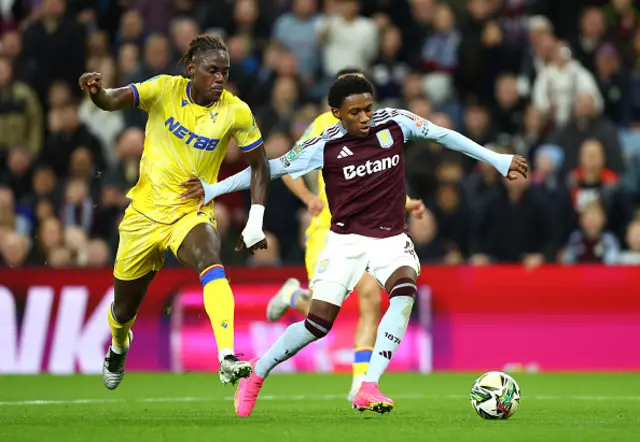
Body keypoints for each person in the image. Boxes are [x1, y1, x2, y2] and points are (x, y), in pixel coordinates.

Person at [181, 75, 528, 417]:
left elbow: (443, 135)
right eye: (354, 113)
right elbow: (270, 169)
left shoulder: (395, 122)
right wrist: (212, 190)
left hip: (391, 238)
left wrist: (497, 160)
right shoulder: (323, 144)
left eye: (368, 109)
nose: (364, 118)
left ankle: (368, 385)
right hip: (345, 242)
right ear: (336, 113)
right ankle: (258, 372)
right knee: (317, 325)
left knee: (404, 292)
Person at [78, 35, 270, 391]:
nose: (219, 79)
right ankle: (120, 344)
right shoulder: (163, 90)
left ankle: (227, 355)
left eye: (225, 72)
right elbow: (114, 99)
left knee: (210, 256)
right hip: (144, 216)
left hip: (190, 213)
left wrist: (255, 221)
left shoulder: (235, 111)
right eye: (212, 71)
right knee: (123, 310)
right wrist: (96, 93)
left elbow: (260, 167)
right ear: (191, 69)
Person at [265, 68, 426, 401]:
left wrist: (407, 203)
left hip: (369, 231)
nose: (364, 112)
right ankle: (294, 296)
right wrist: (309, 198)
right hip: (329, 228)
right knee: (319, 314)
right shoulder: (323, 126)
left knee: (370, 297)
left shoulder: (377, 123)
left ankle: (360, 383)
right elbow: (287, 168)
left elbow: (377, 180)